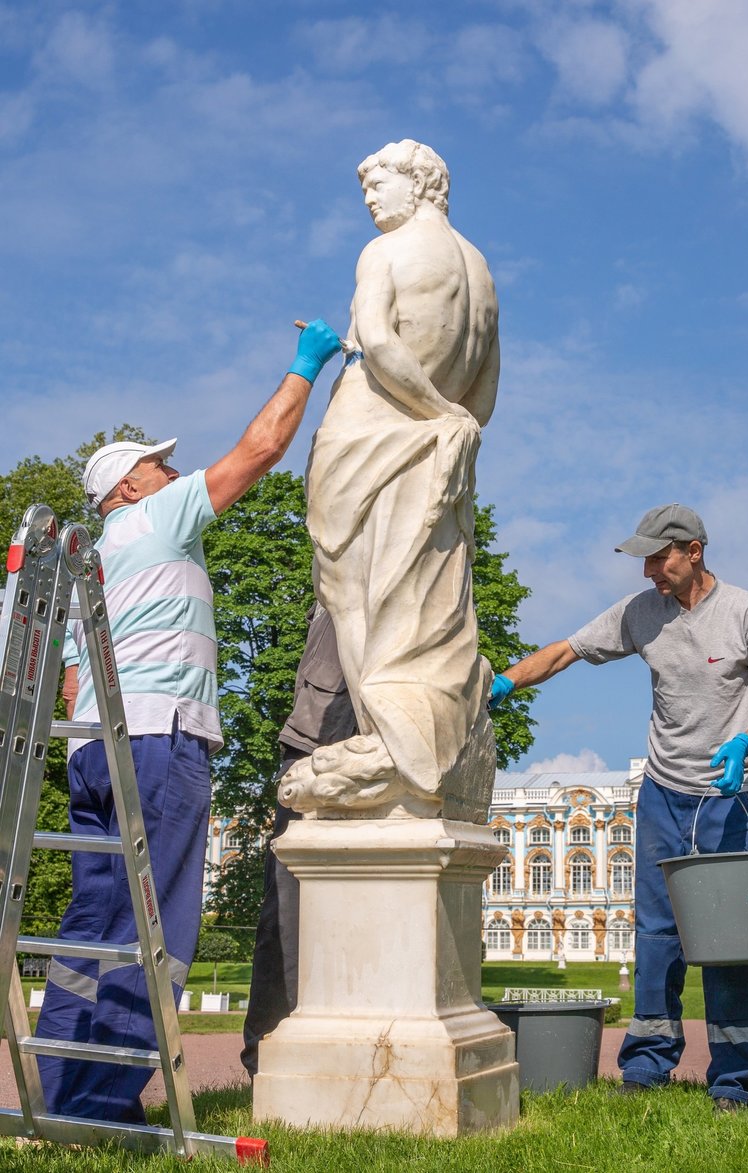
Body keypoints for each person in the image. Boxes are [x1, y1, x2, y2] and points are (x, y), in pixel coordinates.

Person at [35, 319, 342, 1124]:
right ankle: (105, 1103)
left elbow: (72, 680)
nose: (173, 469)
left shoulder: (91, 557)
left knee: (93, 919)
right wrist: (304, 368)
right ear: (129, 489)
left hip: (95, 751)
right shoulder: (153, 519)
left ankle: (63, 1089)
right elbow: (259, 451)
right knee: (158, 916)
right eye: (156, 463)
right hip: (159, 739)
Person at [490, 503, 748, 1112]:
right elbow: (567, 650)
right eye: (645, 561)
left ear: (693, 551)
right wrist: (505, 680)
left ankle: (732, 1080)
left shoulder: (746, 611)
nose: (648, 573)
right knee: (657, 938)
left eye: (658, 559)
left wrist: (746, 741)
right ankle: (646, 1070)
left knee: (727, 941)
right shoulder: (642, 614)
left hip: (729, 798)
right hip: (661, 794)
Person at [280, 140, 500, 819]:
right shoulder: (481, 270)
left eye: (381, 184)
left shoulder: (384, 252)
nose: (372, 199)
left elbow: (376, 338)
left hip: (370, 437)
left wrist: (427, 410)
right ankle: (431, 740)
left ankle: (385, 743)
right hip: (442, 449)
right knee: (426, 600)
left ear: (421, 183)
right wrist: (450, 422)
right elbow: (484, 387)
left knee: (355, 596)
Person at [240, 602, 356, 1081]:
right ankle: (269, 1056)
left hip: (382, 743)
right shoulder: (343, 564)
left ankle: (351, 1045)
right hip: (316, 744)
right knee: (288, 908)